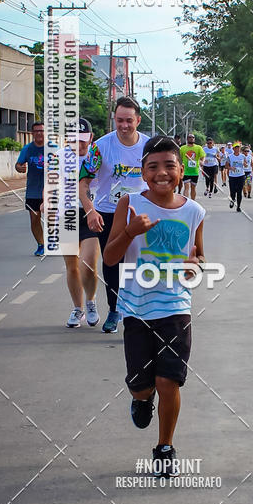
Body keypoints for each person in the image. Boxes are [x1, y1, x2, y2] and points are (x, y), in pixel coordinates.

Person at [103, 136, 205, 471]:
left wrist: (195, 266)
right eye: (153, 167)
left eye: (169, 165)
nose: (162, 172)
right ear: (143, 173)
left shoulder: (194, 211)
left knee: (169, 380)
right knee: (142, 385)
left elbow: (199, 255)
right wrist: (130, 232)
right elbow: (110, 257)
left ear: (181, 170)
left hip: (175, 307)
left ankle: (165, 448)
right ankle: (141, 400)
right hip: (135, 309)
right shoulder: (129, 204)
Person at [79, 97, 149, 333]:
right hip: (109, 212)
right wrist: (90, 210)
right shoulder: (101, 146)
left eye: (129, 120)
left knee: (141, 261)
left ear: (138, 120)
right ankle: (114, 309)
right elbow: (83, 182)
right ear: (114, 119)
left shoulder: (149, 147)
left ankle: (140, 311)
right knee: (112, 262)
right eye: (120, 120)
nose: (124, 125)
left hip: (140, 213)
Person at [57, 118, 101, 328]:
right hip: (66, 215)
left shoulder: (97, 155)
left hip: (91, 213)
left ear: (90, 138)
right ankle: (78, 308)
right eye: (74, 140)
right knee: (72, 266)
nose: (80, 145)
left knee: (88, 264)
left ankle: (91, 302)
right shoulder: (59, 157)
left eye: (83, 140)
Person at [15, 121, 45, 256]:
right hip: (33, 191)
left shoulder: (54, 148)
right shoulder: (27, 149)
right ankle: (41, 244)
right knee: (34, 219)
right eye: (37, 131)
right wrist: (19, 167)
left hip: (52, 191)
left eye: (42, 130)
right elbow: (18, 164)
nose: (39, 133)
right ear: (33, 133)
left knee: (53, 219)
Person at [179, 134, 205, 200]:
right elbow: (179, 158)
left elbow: (203, 156)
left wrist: (202, 161)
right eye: (190, 137)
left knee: (193, 187)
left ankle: (193, 202)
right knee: (186, 186)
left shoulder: (198, 148)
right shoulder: (182, 148)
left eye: (193, 137)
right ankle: (187, 202)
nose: (191, 138)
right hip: (186, 171)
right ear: (187, 139)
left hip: (195, 171)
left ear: (194, 139)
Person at [226, 143, 246, 212]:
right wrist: (230, 168)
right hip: (232, 176)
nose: (237, 149)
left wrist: (244, 164)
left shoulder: (243, 156)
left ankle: (238, 206)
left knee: (239, 191)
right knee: (232, 191)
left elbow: (246, 164)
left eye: (238, 148)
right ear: (233, 149)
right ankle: (233, 199)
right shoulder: (230, 156)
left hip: (241, 175)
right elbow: (226, 166)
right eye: (236, 148)